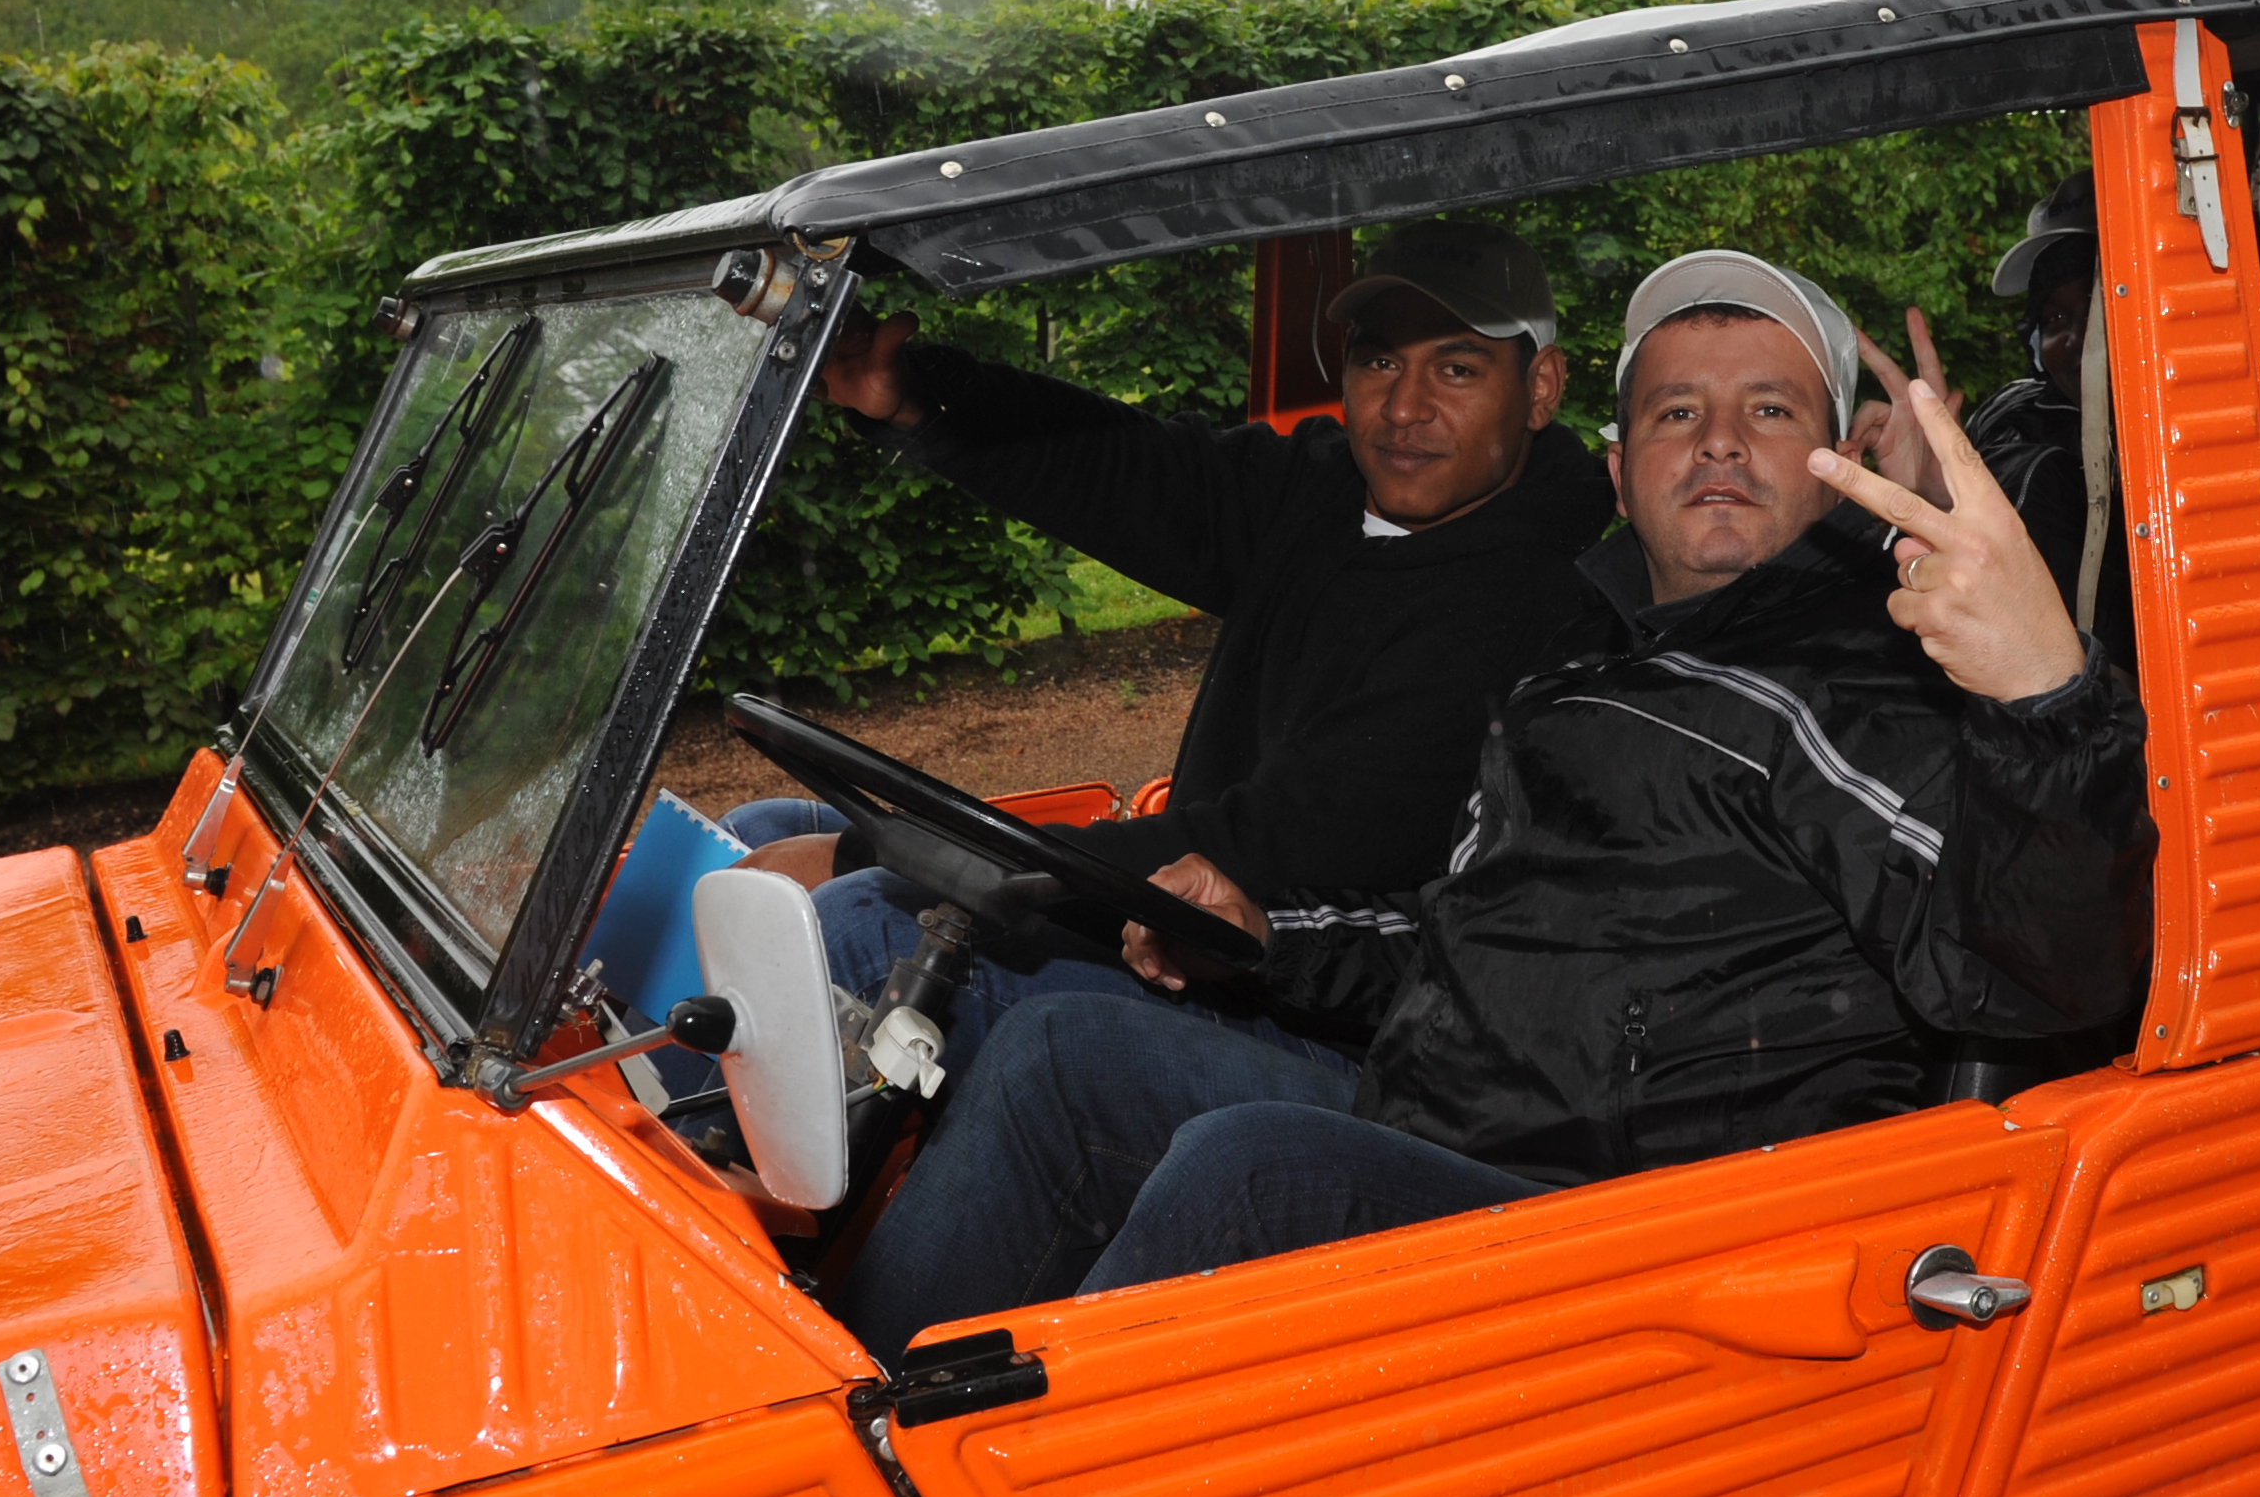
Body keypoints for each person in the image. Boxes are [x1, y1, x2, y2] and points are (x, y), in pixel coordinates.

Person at [833, 246, 2157, 1365]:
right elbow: (1454, 940)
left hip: (1647, 1230)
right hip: (1448, 1129)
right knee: (1064, 1051)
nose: (1717, 443)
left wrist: (2041, 694)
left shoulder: (1860, 687)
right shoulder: (1576, 671)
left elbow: (2037, 977)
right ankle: (856, 1427)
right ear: (1620, 471)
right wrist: (1275, 940)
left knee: (1252, 1171)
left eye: (1767, 411)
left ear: (1835, 460)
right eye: (1678, 413)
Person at [727, 217, 1614, 1079]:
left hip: (1314, 1018)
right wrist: (915, 395)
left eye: (1456, 369)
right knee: (767, 829)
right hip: (1172, 927)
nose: (1405, 407)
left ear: (1541, 387)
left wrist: (884, 858)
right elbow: (1126, 470)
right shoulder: (1330, 490)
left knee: (857, 919)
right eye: (1379, 360)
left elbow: (1268, 846)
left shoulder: (1525, 610)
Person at [1954, 174, 2137, 684]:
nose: (2079, 339)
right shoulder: (2011, 423)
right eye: (2055, 317)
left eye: (2101, 305)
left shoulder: (2237, 423)